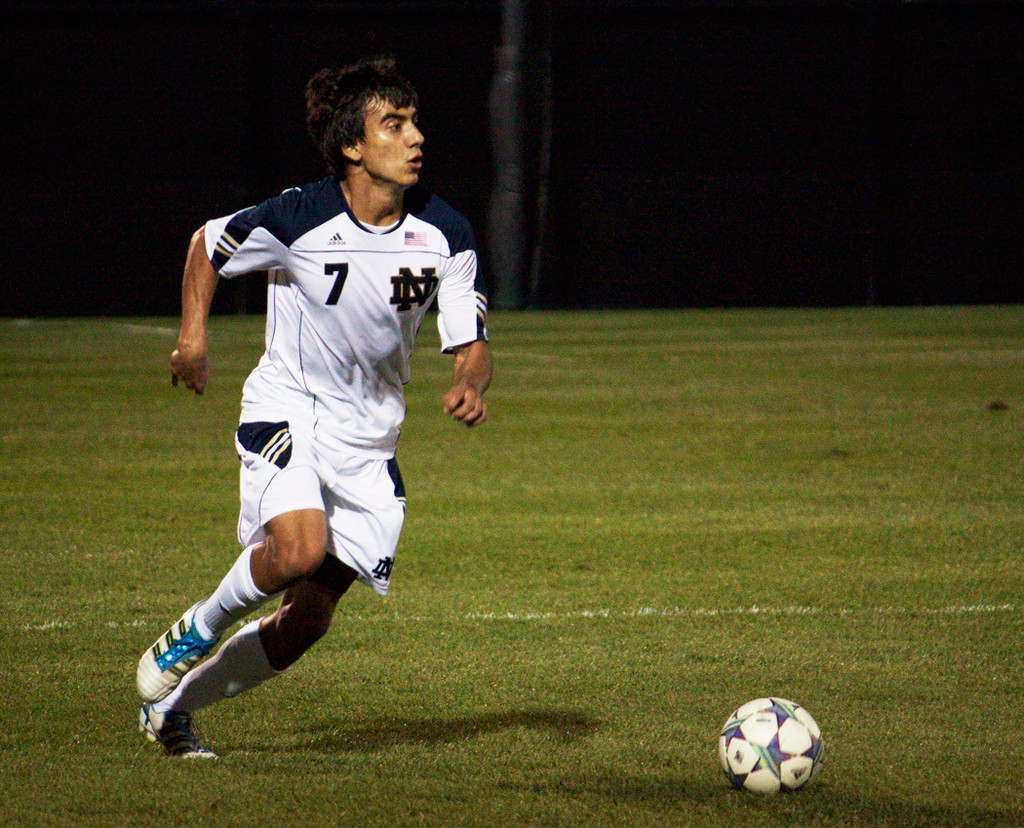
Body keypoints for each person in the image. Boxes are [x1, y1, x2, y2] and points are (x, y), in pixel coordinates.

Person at [136, 56, 492, 758]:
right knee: (298, 549)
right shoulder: (298, 217)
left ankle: (173, 711)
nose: (416, 136)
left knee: (309, 620)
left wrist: (471, 381)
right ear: (354, 147)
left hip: (368, 443)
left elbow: (471, 342)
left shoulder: (446, 233)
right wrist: (193, 335)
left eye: (415, 121)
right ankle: (193, 631)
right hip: (288, 407)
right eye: (395, 124)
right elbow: (208, 244)